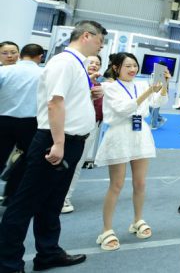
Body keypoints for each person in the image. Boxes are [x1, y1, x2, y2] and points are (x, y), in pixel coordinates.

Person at [0, 21, 107, 273]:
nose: (102, 45)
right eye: (100, 39)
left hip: (70, 141)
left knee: (52, 202)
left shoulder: (76, 64)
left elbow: (64, 100)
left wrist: (87, 96)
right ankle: (7, 263)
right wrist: (58, 144)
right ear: (87, 36)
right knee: (24, 203)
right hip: (55, 140)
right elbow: (54, 104)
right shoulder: (64, 62)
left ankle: (48, 252)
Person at [94, 52, 169, 251]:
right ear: (116, 68)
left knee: (140, 183)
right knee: (116, 184)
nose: (133, 69)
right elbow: (123, 109)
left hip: (141, 135)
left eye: (134, 65)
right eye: (127, 66)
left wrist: (164, 86)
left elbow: (156, 103)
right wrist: (147, 92)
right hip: (119, 135)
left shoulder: (142, 84)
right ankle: (106, 229)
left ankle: (137, 220)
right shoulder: (109, 87)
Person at [0, 44, 44, 206]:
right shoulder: (43, 73)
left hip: (3, 119)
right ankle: (11, 196)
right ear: (40, 57)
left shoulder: (4, 71)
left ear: (20, 55)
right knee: (24, 160)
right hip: (30, 123)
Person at [62, 54, 104, 213]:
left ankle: (65, 198)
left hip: (90, 127)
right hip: (67, 126)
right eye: (91, 62)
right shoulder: (74, 79)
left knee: (77, 164)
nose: (94, 65)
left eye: (97, 63)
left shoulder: (100, 84)